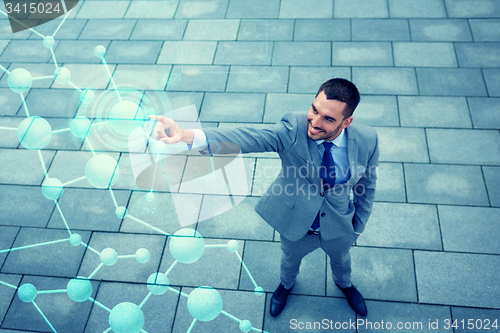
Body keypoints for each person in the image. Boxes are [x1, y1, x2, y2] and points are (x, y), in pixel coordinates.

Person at [150, 78, 379, 317]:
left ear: (347, 122)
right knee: (289, 262)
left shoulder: (368, 139)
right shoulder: (292, 129)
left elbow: (367, 185)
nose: (314, 122)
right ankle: (286, 286)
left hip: (340, 224)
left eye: (328, 119)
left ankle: (345, 285)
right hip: (296, 222)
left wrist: (358, 226)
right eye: (314, 110)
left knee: (342, 261)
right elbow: (248, 136)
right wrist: (187, 135)